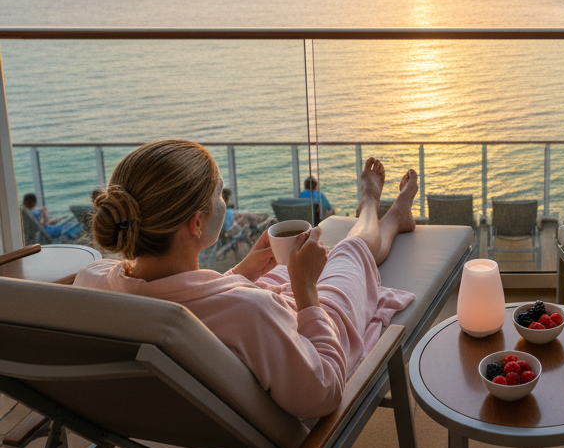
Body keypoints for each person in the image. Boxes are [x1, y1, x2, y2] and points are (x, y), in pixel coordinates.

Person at [74, 140, 420, 420]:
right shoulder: (248, 311)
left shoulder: (94, 282)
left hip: (178, 409)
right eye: (219, 193)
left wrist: (241, 273)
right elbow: (325, 391)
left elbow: (194, 304)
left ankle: (377, 215)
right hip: (315, 335)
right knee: (348, 252)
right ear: (196, 223)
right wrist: (306, 291)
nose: (223, 201)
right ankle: (376, 208)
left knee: (294, 264)